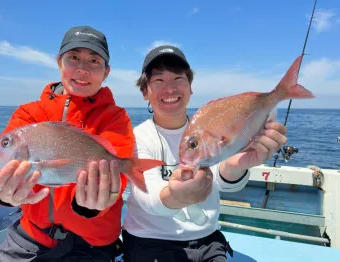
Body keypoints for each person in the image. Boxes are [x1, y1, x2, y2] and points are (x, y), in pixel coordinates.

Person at [122, 45, 288, 262]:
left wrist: (239, 164)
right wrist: (176, 196)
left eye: (178, 79)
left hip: (208, 241)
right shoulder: (138, 137)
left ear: (190, 88)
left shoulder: (207, 128)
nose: (170, 89)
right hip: (149, 242)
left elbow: (223, 180)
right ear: (145, 92)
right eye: (159, 81)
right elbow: (149, 198)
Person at [0, 26, 134, 261]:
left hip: (92, 245)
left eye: (94, 61)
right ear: (59, 62)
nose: (83, 69)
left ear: (106, 72)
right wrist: (2, 191)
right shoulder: (29, 113)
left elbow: (117, 174)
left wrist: (90, 203)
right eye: (74, 58)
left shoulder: (115, 117)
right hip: (30, 237)